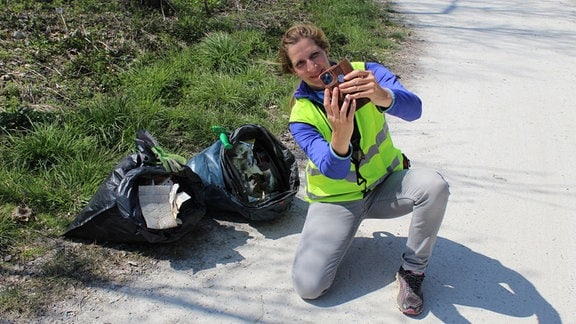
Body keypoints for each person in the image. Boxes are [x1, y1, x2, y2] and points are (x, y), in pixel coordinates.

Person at [278, 23, 450, 316]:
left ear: (326, 50)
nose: (313, 66)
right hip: (337, 201)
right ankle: (342, 231)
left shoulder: (365, 72)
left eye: (315, 55)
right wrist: (340, 136)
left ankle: (412, 273)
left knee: (435, 186)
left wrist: (381, 95)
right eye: (300, 63)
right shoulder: (301, 115)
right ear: (293, 71)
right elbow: (332, 170)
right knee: (309, 287)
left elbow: (415, 110)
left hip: (385, 186)